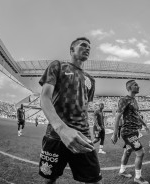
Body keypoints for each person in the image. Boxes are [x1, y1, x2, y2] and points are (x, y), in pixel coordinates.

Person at [38, 37, 102, 184]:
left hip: (83, 136)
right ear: (72, 50)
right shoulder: (58, 66)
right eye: (83, 46)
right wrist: (61, 129)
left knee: (94, 180)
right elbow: (45, 98)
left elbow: (85, 108)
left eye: (89, 48)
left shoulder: (90, 80)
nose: (87, 49)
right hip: (56, 136)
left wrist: (91, 131)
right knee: (49, 179)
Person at [111, 80, 150, 184]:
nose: (138, 86)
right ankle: (137, 177)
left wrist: (145, 125)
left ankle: (122, 171)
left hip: (134, 131)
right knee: (140, 153)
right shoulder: (124, 99)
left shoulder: (134, 100)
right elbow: (118, 115)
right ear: (129, 87)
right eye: (135, 85)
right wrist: (115, 133)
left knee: (128, 151)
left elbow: (137, 115)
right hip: (128, 132)